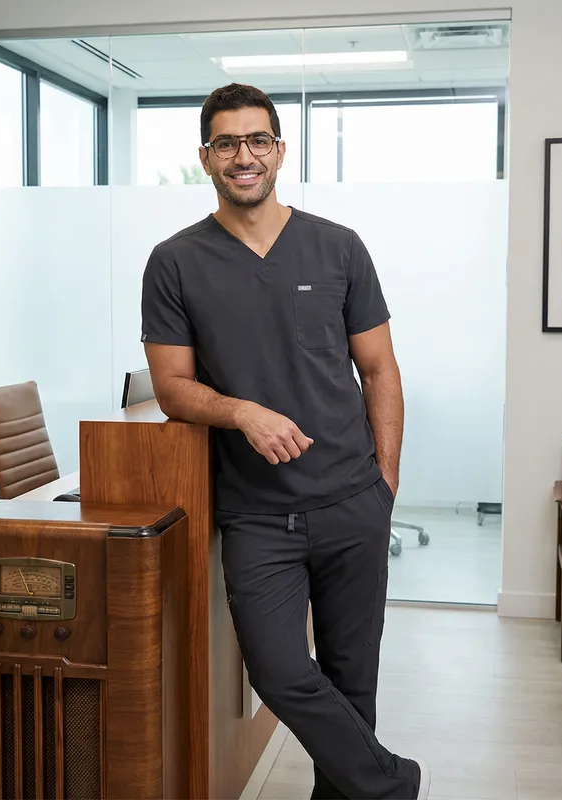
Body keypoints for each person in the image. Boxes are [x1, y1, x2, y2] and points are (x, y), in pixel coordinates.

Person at [140, 83, 429, 800]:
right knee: (277, 670)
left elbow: (380, 368)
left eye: (258, 140)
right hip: (257, 514)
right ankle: (394, 784)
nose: (245, 156)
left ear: (280, 150)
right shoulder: (175, 262)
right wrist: (241, 412)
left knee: (350, 679)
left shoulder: (338, 247)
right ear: (205, 157)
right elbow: (172, 386)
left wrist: (384, 482)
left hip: (353, 501)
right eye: (228, 143)